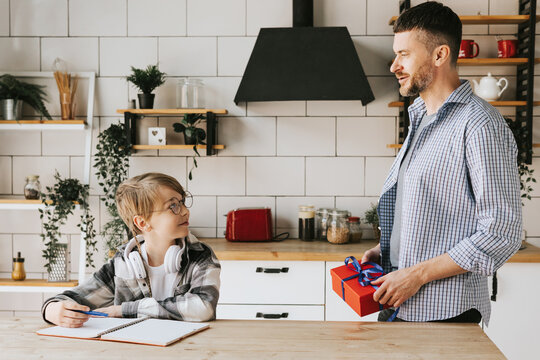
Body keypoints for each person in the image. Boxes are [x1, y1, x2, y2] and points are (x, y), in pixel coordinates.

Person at [361, 2, 522, 324]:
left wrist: (416, 275)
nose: (394, 66)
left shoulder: (480, 125)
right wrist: (389, 248)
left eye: (404, 54)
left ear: (440, 55)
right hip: (399, 304)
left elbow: (501, 232)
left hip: (444, 311)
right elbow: (432, 208)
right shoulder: (421, 118)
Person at [41, 172, 221, 327]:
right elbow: (72, 299)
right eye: (172, 206)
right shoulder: (121, 265)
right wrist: (52, 310)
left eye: (182, 202)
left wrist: (124, 310)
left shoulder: (200, 255)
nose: (185, 211)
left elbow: (203, 307)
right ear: (142, 223)